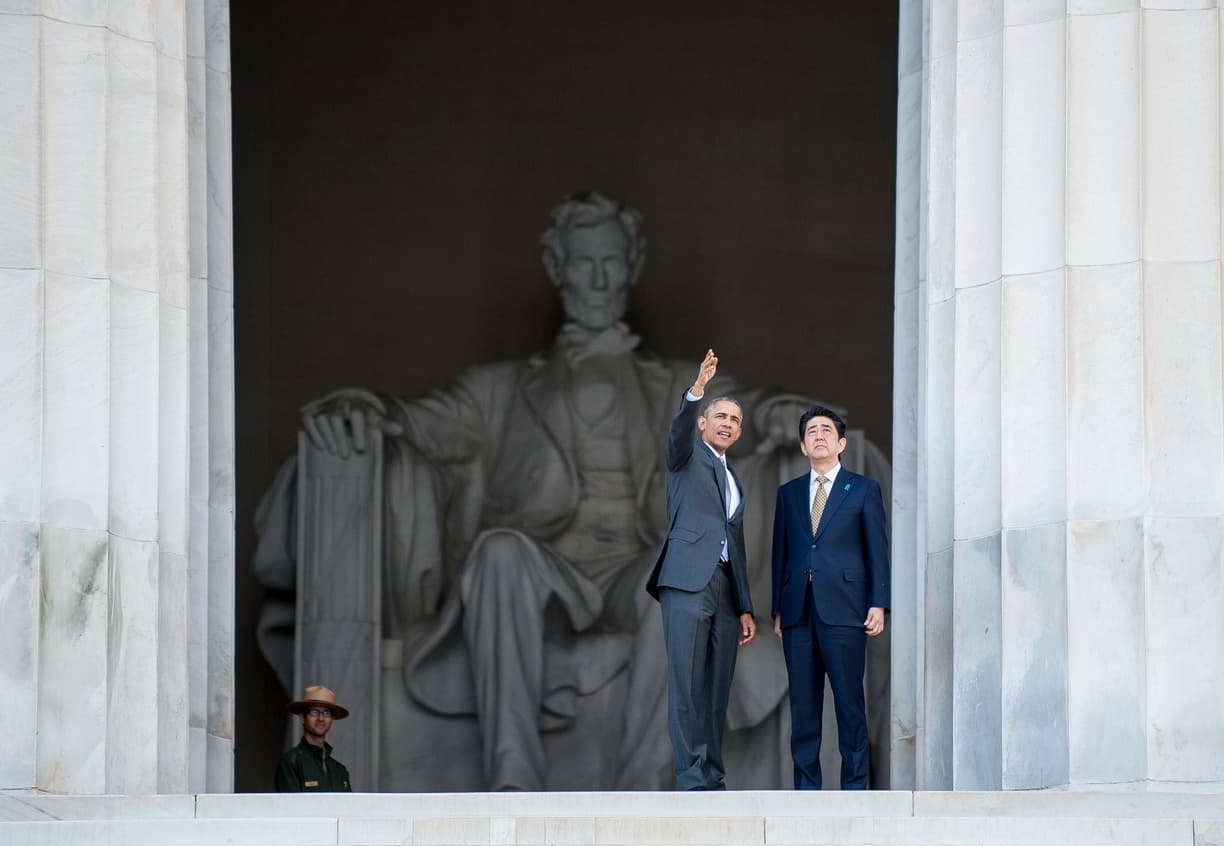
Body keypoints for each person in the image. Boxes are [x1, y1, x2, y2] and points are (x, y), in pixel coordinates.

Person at [252, 192, 865, 791]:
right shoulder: (499, 388)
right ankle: (512, 776)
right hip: (542, 570)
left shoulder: (678, 383)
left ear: (631, 268)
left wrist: (791, 416)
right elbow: (422, 422)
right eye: (583, 262)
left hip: (637, 563)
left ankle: (643, 787)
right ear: (556, 267)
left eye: (612, 263)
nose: (598, 279)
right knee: (497, 553)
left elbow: (745, 411)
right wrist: (371, 408)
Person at [646, 349, 757, 790]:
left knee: (715, 690)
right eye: (720, 416)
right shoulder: (686, 458)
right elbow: (675, 433)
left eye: (734, 419)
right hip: (687, 581)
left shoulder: (734, 479)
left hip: (725, 592)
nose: (727, 423)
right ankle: (691, 777)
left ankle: (712, 776)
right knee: (687, 683)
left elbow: (737, 544)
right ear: (703, 424)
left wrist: (745, 605)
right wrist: (697, 390)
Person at [771, 405, 889, 789]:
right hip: (798, 612)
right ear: (803, 446)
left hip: (847, 610)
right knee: (804, 708)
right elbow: (781, 553)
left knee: (849, 704)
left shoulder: (864, 488)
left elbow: (877, 549)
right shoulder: (787, 494)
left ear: (841, 443)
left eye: (826, 430)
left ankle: (855, 788)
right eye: (811, 432)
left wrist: (878, 602)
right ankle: (806, 789)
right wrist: (777, 607)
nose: (818, 435)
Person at [274, 685, 353, 792]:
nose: (321, 718)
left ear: (332, 719)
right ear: (302, 717)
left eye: (326, 713)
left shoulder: (339, 770)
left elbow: (348, 808)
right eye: (314, 712)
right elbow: (290, 807)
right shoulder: (291, 763)